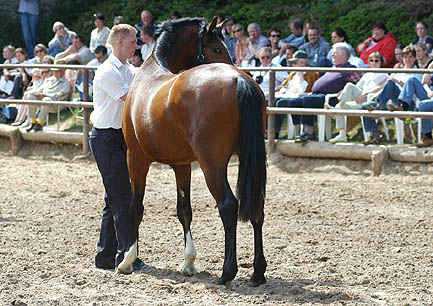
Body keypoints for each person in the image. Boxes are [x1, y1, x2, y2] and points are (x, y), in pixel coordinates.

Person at [89, 23, 146, 272]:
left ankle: (104, 256)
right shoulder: (107, 72)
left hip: (120, 137)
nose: (137, 45)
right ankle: (127, 254)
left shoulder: (129, 69)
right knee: (123, 199)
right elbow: (133, 98)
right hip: (106, 139)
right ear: (120, 42)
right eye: (133, 41)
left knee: (113, 199)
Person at [275, 43, 361, 144]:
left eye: (334, 53)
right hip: (316, 95)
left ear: (343, 55)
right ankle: (276, 132)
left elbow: (358, 85)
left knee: (308, 100)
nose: (332, 55)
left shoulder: (350, 69)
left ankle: (308, 132)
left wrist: (345, 90)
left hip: (331, 98)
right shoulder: (333, 68)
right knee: (287, 102)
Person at [361, 46, 422, 144]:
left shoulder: (418, 72)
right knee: (364, 106)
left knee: (391, 83)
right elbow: (386, 87)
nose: (408, 60)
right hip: (393, 104)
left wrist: (396, 81)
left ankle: (380, 106)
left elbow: (414, 89)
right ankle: (375, 136)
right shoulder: (398, 71)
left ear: (414, 58)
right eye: (405, 57)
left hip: (409, 104)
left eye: (410, 57)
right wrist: (374, 94)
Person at [327, 52, 388, 143]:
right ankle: (342, 135)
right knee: (340, 106)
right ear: (369, 63)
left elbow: (382, 89)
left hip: (371, 100)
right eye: (371, 61)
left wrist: (365, 94)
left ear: (381, 62)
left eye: (376, 61)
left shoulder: (384, 74)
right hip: (360, 99)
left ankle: (335, 111)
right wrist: (345, 92)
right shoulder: (367, 74)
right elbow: (358, 87)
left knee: (348, 85)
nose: (374, 63)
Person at [274, 50, 320, 137]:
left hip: (299, 98)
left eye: (295, 63)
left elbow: (304, 91)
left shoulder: (312, 74)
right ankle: (265, 130)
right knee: (267, 101)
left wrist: (301, 75)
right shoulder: (293, 73)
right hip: (286, 95)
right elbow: (284, 87)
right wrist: (278, 93)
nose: (292, 65)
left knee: (281, 103)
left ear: (303, 63)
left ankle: (274, 132)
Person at [25, 59, 71, 132]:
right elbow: (39, 89)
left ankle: (40, 123)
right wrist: (35, 93)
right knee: (30, 96)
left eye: (57, 71)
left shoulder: (66, 83)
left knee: (46, 100)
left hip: (55, 103)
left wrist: (46, 95)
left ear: (63, 71)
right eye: (53, 70)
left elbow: (61, 95)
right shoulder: (48, 80)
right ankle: (33, 122)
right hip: (42, 100)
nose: (54, 72)